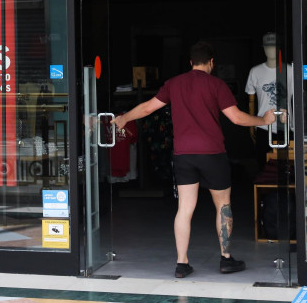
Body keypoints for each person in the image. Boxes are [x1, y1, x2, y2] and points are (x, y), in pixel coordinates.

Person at [112, 41, 276, 279]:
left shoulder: (174, 84)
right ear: (211, 62)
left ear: (190, 62)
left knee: (184, 209)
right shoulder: (217, 85)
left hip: (184, 156)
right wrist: (264, 121)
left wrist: (123, 118)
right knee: (223, 206)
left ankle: (181, 264)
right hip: (213, 155)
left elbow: (148, 108)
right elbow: (237, 119)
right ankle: (226, 259)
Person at [245, 32, 294, 174]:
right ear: (264, 48)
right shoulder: (256, 72)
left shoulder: (290, 71)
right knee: (264, 167)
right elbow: (251, 100)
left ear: (279, 48)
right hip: (263, 126)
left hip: (286, 126)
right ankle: (266, 196)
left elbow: (297, 99)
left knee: (288, 167)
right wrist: (251, 124)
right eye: (268, 47)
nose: (271, 50)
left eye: (274, 47)